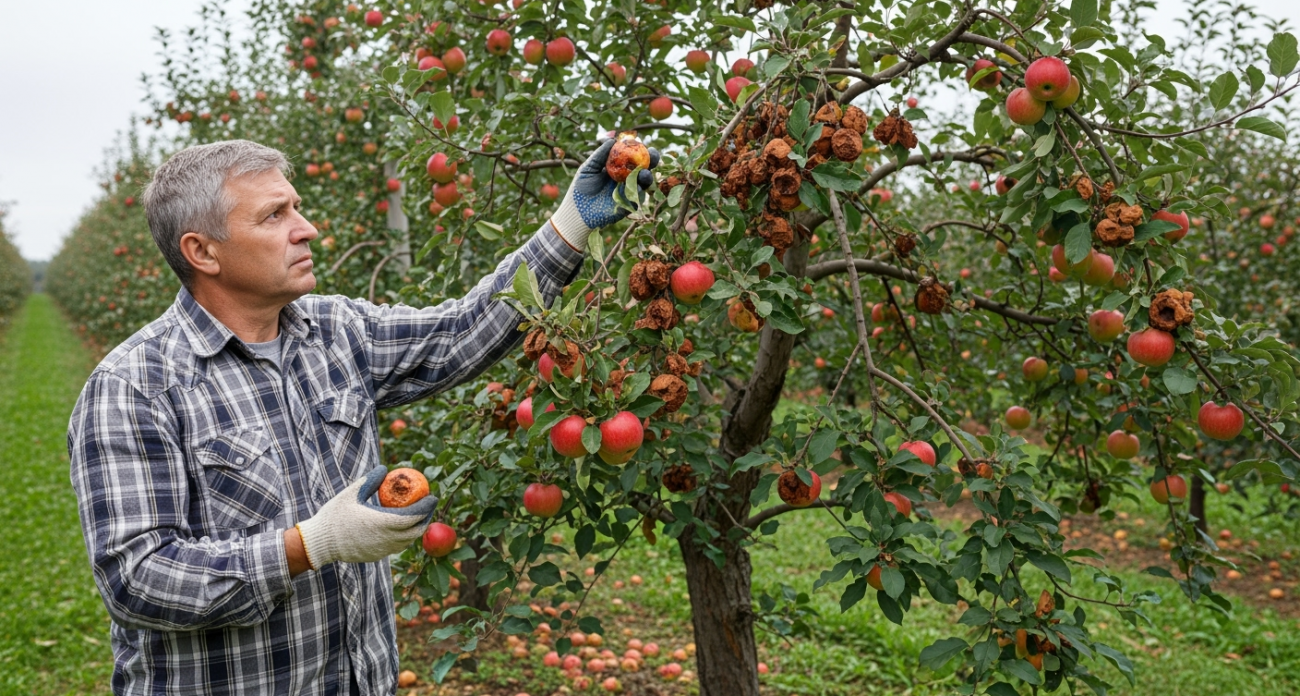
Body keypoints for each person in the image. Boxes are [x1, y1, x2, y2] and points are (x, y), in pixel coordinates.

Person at [67, 137, 658, 695]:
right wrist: (312, 544)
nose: (307, 229)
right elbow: (137, 577)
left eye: (297, 207)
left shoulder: (335, 331)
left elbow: (457, 333)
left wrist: (572, 222)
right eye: (275, 216)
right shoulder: (134, 387)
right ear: (202, 251)